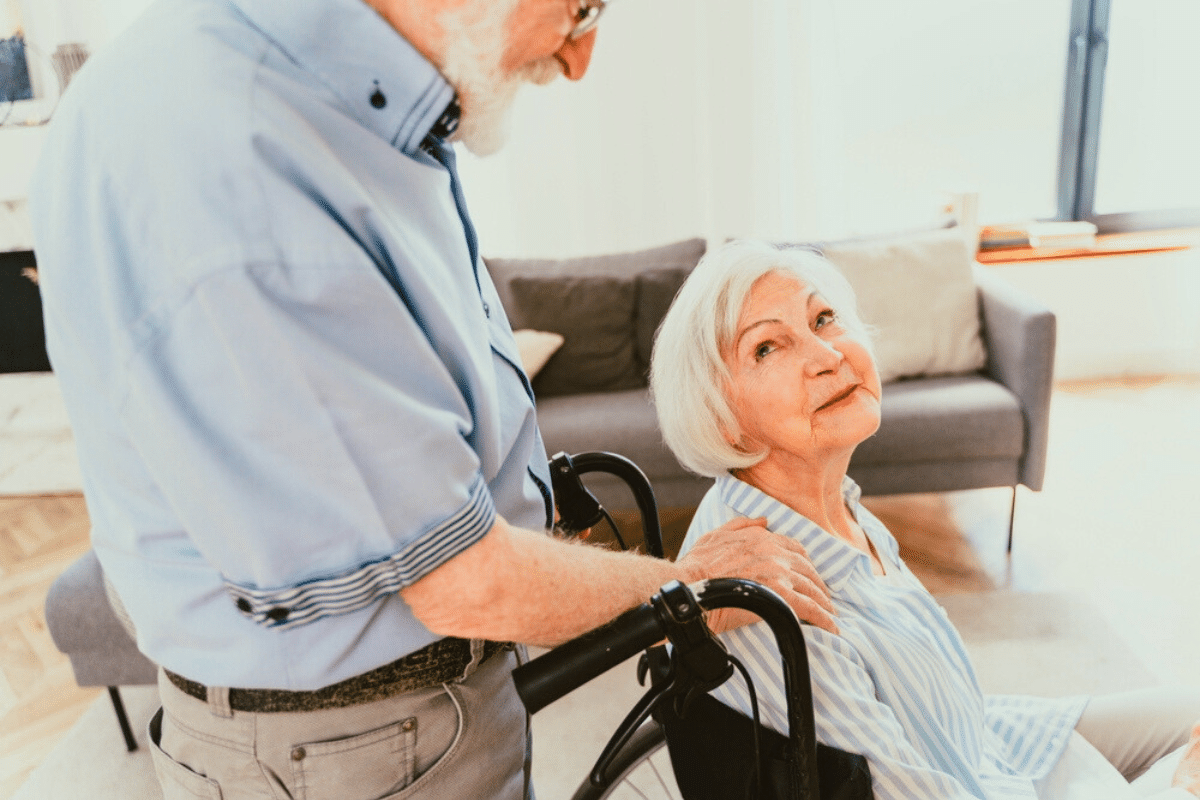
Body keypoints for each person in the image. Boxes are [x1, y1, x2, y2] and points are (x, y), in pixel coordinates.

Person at [28, 3, 839, 799]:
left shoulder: (339, 106)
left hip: (391, 717)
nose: (579, 58)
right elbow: (462, 581)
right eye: (582, 8)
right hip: (349, 747)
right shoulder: (245, 151)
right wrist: (687, 589)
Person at [651, 239, 1200, 799]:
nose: (827, 355)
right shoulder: (774, 592)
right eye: (767, 348)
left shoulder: (828, 500)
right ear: (723, 423)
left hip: (990, 746)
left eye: (824, 317)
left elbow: (945, 716)